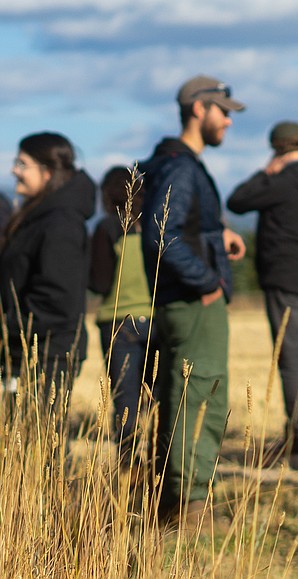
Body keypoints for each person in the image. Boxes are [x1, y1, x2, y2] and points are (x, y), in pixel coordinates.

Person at [141, 75, 247, 521]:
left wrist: (216, 235)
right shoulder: (182, 166)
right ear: (198, 109)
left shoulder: (168, 162)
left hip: (175, 299)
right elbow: (160, 233)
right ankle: (191, 505)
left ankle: (173, 498)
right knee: (201, 397)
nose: (228, 120)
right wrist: (207, 283)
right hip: (191, 301)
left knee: (180, 394)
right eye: (223, 110)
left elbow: (177, 223)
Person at [227, 121, 298, 469]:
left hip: (284, 277)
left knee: (290, 360)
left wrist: (265, 172)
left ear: (276, 148)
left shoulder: (279, 181)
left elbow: (237, 201)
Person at [1, 132, 95, 399]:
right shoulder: (38, 216)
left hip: (47, 353)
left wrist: (8, 327)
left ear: (47, 172)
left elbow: (56, 297)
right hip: (25, 350)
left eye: (21, 164)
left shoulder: (60, 223)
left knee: (42, 437)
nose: (13, 170)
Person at [89, 165, 156, 465]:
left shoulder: (106, 228)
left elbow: (99, 282)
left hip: (118, 323)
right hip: (156, 320)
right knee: (158, 401)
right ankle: (161, 463)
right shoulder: (156, 226)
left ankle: (129, 466)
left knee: (125, 402)